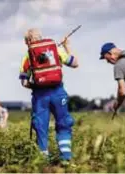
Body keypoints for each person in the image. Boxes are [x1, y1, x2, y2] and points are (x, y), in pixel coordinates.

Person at [19, 28, 79, 165]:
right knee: (63, 123)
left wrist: (37, 86)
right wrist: (67, 46)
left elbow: (24, 82)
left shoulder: (27, 56)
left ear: (28, 41)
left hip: (40, 97)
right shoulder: (55, 49)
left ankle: (43, 161)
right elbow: (75, 63)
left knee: (41, 127)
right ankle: (66, 158)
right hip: (58, 93)